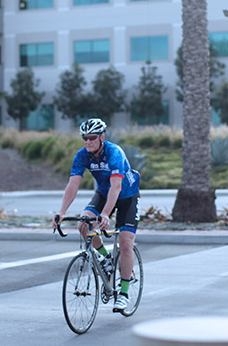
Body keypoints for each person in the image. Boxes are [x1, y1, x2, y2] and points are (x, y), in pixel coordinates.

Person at [52, 118, 140, 313]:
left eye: (92, 138)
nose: (88, 142)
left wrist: (106, 214)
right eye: (84, 138)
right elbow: (73, 185)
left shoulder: (114, 153)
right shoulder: (82, 155)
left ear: (102, 137)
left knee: (125, 242)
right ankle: (106, 260)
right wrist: (62, 212)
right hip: (103, 193)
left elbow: (116, 187)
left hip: (126, 196)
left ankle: (124, 293)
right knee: (83, 224)